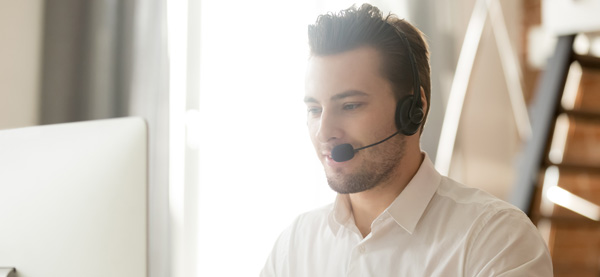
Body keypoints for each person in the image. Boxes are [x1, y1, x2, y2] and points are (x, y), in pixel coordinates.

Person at [261, 3, 552, 276]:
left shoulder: (495, 239)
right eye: (314, 109)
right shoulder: (294, 246)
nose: (324, 131)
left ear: (414, 110)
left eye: (349, 105)